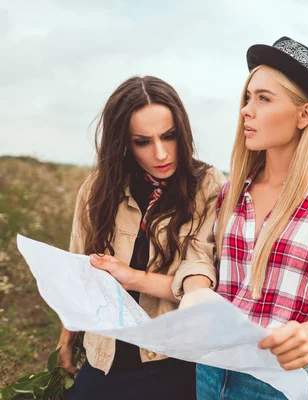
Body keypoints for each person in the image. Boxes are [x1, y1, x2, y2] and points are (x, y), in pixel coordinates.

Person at [195, 36, 308, 400]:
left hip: (275, 383)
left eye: (263, 98)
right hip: (209, 371)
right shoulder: (232, 192)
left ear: (304, 114)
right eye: (248, 97)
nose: (247, 110)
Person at [56, 76, 226, 400]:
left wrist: (132, 279)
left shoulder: (208, 187)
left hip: (176, 362)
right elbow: (79, 270)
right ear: (123, 142)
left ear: (183, 132)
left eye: (169, 136)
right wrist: (67, 337)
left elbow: (203, 280)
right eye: (143, 141)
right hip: (105, 358)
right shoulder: (97, 189)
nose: (161, 153)